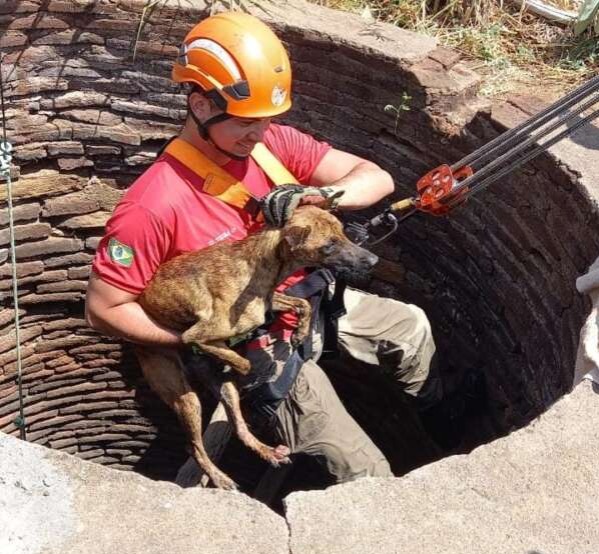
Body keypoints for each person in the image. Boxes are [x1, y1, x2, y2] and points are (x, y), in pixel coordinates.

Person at [85, 11, 454, 486]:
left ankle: (440, 426)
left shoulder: (269, 145)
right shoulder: (153, 205)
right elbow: (104, 309)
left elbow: (377, 178)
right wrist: (198, 339)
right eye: (245, 123)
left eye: (266, 120)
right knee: (366, 474)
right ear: (200, 105)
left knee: (412, 329)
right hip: (256, 345)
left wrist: (321, 195)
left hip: (310, 301)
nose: (259, 133)